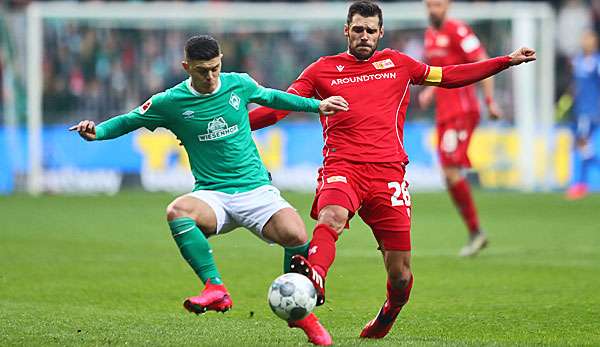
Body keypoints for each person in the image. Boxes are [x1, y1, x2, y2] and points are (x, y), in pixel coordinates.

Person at [248, 1, 535, 342]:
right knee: (331, 216)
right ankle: (315, 276)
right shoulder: (321, 70)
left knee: (400, 276)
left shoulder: (399, 64)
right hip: (343, 167)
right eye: (358, 30)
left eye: (371, 30)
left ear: (380, 33)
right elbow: (282, 107)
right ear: (346, 30)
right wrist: (238, 128)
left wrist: (505, 61)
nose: (364, 36)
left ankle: (389, 312)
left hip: (389, 176)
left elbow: (450, 76)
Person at [70, 35, 349, 346]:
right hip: (212, 193)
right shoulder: (170, 102)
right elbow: (130, 120)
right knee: (177, 211)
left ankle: (300, 316)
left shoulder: (238, 84)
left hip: (255, 188)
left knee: (296, 235)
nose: (211, 76)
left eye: (215, 68)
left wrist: (317, 105)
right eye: (202, 70)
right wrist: (98, 132)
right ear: (186, 67)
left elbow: (273, 98)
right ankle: (215, 289)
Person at [418, 0, 501, 257]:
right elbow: (441, 72)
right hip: (445, 113)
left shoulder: (459, 31)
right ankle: (475, 231)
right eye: (430, 5)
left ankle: (476, 232)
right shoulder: (430, 35)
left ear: (448, 6)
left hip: (463, 110)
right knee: (448, 173)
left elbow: (483, 61)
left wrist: (489, 100)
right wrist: (431, 92)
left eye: (439, 5)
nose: (434, 10)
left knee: (451, 170)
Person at [565, 30, 600, 200]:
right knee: (581, 146)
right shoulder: (577, 61)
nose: (585, 41)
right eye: (584, 38)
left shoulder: (596, 62)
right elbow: (576, 86)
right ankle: (580, 184)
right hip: (580, 110)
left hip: (591, 110)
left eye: (589, 38)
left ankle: (579, 185)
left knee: (582, 145)